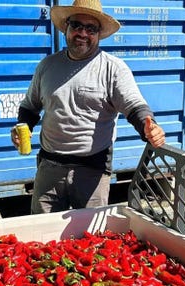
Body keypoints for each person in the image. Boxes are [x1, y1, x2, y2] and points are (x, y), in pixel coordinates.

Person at [11, 0, 165, 214]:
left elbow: (134, 106)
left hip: (92, 170)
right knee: (43, 237)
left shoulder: (113, 69)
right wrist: (23, 126)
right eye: (77, 25)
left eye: (91, 28)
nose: (82, 33)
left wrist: (149, 127)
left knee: (91, 238)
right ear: (66, 27)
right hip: (49, 168)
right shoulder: (47, 66)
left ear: (99, 34)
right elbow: (30, 106)